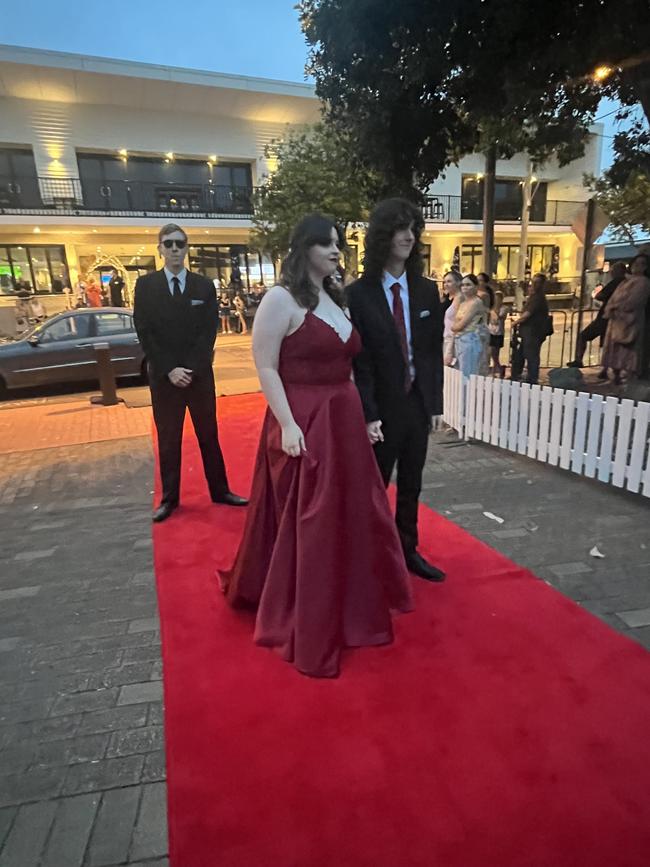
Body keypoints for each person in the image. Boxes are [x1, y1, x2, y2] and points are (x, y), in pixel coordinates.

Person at [220, 214, 413, 678]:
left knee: (351, 511)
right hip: (303, 420)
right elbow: (265, 367)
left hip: (343, 421)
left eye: (337, 244)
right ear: (303, 247)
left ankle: (349, 599)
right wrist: (286, 424)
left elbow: (347, 367)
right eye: (325, 243)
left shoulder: (334, 297)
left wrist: (364, 419)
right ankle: (309, 607)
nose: (334, 250)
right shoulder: (279, 299)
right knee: (312, 517)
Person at [347, 198, 445, 584]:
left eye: (413, 229)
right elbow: (361, 361)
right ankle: (370, 557)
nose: (408, 236)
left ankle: (407, 552)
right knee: (375, 487)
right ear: (382, 236)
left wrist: (434, 403)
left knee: (412, 484)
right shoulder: (360, 294)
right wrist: (369, 412)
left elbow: (431, 351)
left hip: (417, 404)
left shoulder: (425, 291)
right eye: (400, 229)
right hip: (380, 410)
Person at [133, 223, 247, 522]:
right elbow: (145, 332)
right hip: (165, 379)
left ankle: (220, 491)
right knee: (169, 439)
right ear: (159, 248)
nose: (174, 249)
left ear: (187, 248)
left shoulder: (203, 286)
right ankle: (170, 499)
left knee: (209, 435)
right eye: (168, 244)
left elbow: (208, 332)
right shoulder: (146, 286)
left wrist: (192, 369)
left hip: (198, 377)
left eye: (179, 244)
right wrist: (170, 369)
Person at [567, 261, 627, 375]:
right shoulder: (626, 284)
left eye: (613, 271)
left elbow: (600, 295)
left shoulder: (616, 283)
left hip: (606, 317)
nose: (611, 273)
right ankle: (611, 371)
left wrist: (603, 298)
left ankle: (580, 360)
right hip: (618, 318)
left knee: (587, 337)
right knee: (611, 345)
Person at [601, 253, 650, 385]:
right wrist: (611, 308)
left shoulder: (643, 282)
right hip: (616, 320)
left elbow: (635, 301)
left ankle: (630, 379)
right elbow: (612, 297)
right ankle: (615, 376)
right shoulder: (625, 281)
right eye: (636, 263)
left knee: (629, 351)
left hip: (630, 321)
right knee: (614, 350)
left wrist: (618, 307)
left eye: (642, 264)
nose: (638, 267)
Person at [511, 273, 550, 385]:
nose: (533, 285)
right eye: (533, 282)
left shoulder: (538, 298)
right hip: (528, 332)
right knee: (522, 354)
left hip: (533, 332)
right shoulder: (534, 297)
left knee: (531, 355)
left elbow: (527, 314)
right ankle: (521, 375)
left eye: (537, 282)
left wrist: (516, 322)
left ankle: (532, 378)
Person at [451, 274, 487, 378]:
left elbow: (461, 325)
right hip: (459, 339)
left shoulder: (476, 302)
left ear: (476, 286)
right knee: (459, 372)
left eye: (468, 285)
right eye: (463, 285)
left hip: (470, 339)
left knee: (467, 374)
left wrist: (454, 327)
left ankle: (468, 394)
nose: (465, 287)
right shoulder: (463, 303)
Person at [442, 270, 462, 366]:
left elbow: (458, 323)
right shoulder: (446, 297)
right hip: (445, 337)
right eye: (444, 282)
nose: (446, 284)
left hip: (454, 341)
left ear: (458, 283)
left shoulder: (460, 298)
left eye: (449, 281)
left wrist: (450, 349)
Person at [488, 290, 508, 377]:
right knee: (491, 352)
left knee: (496, 353)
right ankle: (496, 369)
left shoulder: (504, 308)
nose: (497, 301)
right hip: (491, 332)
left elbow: (501, 317)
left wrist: (494, 311)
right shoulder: (491, 308)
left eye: (498, 299)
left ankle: (497, 369)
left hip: (499, 333)